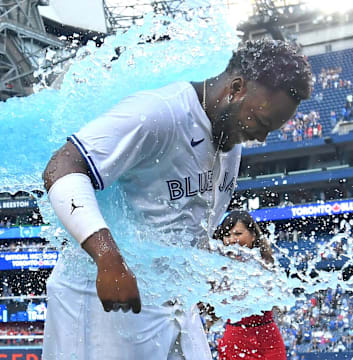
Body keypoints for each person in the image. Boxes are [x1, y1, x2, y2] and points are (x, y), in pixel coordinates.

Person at [42, 40, 312, 359]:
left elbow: (182, 230)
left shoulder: (230, 139)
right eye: (262, 123)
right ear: (237, 88)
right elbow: (62, 165)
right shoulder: (158, 112)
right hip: (102, 299)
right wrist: (107, 257)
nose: (262, 137)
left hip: (172, 304)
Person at [213, 210, 287, 360]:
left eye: (238, 234)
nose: (232, 239)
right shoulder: (216, 268)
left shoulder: (268, 266)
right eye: (227, 235)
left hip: (268, 342)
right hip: (234, 342)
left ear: (253, 235)